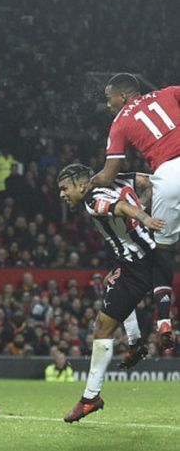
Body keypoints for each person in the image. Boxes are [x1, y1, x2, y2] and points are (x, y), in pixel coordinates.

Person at [57, 163, 164, 422]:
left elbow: (119, 208)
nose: (62, 194)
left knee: (102, 329)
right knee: (111, 283)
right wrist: (146, 208)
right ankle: (136, 342)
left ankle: (90, 397)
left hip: (137, 262)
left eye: (64, 188)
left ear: (81, 185)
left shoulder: (92, 200)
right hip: (140, 256)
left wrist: (142, 216)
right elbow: (148, 181)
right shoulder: (118, 178)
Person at [91, 73, 180, 352]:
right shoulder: (168, 92)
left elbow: (108, 176)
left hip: (169, 175)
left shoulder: (120, 123)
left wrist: (87, 183)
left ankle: (164, 320)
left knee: (161, 250)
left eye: (109, 99)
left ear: (123, 96)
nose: (107, 105)